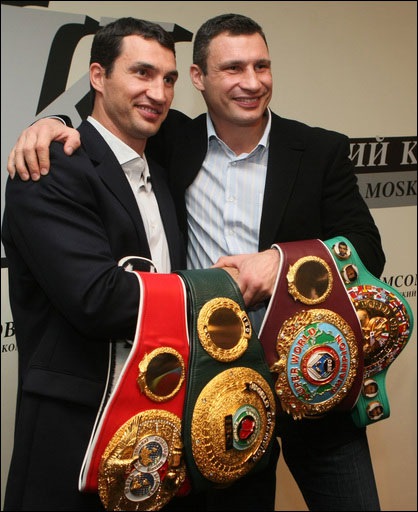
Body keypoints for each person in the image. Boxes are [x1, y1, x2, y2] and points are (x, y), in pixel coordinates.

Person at [5, 13, 386, 511]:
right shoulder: (171, 143)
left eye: (261, 66)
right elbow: (103, 130)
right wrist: (48, 126)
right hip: (213, 396)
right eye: (233, 68)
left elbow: (367, 248)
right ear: (200, 79)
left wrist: (281, 262)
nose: (251, 82)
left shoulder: (319, 150)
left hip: (311, 378)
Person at [2, 17, 194, 512]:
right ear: (97, 76)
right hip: (75, 431)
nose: (158, 92)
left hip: (155, 428)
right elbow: (98, 300)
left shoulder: (161, 169)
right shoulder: (49, 167)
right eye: (142, 73)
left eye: (169, 78)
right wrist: (220, 289)